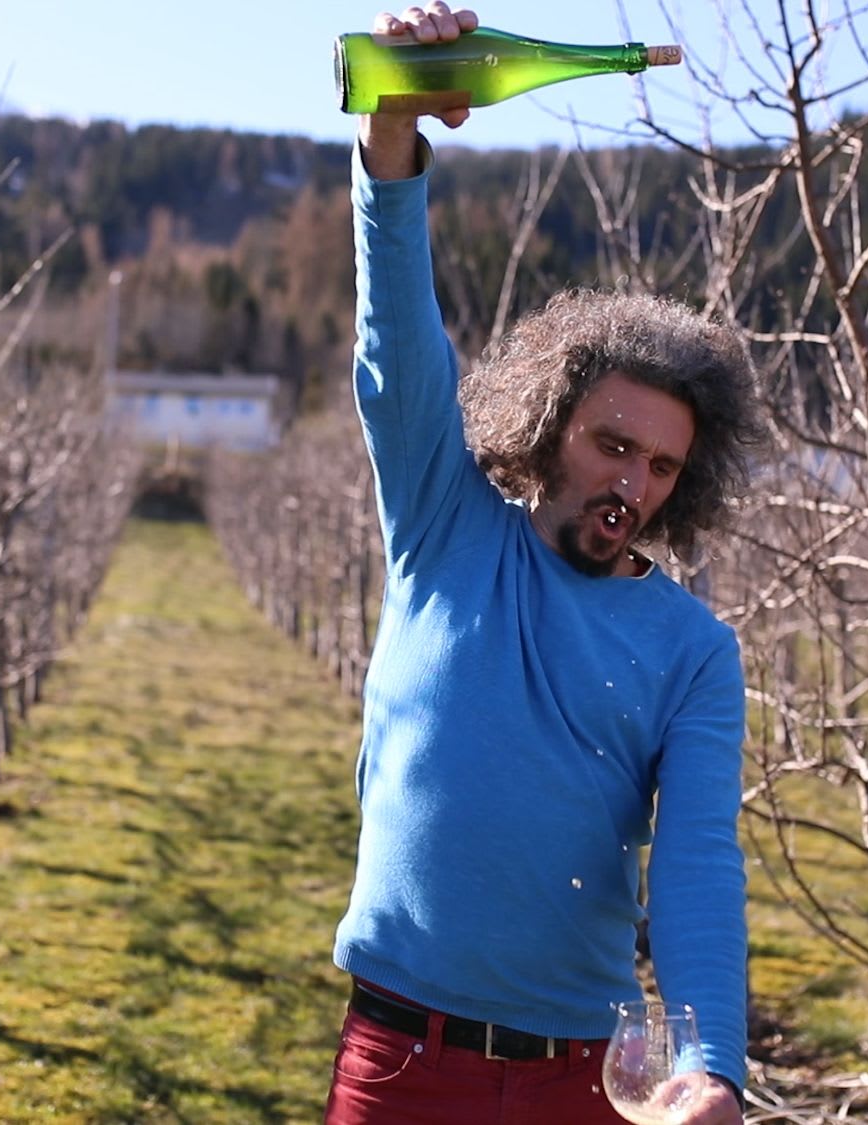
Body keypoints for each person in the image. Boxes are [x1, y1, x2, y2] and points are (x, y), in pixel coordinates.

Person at [320, 5, 764, 1123]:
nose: (631, 484)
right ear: (548, 424)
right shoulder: (443, 521)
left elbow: (697, 865)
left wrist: (710, 1061)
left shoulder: (693, 654)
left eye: (660, 467)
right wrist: (393, 135)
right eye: (612, 445)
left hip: (584, 1081)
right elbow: (395, 349)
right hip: (400, 1061)